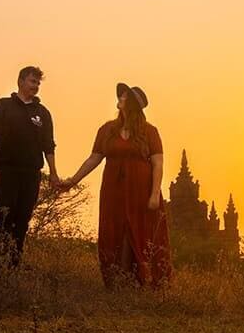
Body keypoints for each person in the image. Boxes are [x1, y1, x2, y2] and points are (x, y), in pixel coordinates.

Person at [60, 83, 171, 287]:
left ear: (133, 105)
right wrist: (72, 180)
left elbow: (158, 164)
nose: (120, 98)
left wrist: (154, 194)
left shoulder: (149, 131)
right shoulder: (107, 130)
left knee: (137, 231)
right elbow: (94, 158)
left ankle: (139, 281)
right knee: (114, 230)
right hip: (113, 188)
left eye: (125, 96)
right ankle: (117, 280)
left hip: (140, 188)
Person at [0, 66, 58, 266]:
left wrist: (53, 173)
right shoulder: (3, 106)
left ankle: (15, 261)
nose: (35, 86)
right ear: (21, 81)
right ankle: (0, 260)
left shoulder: (42, 113)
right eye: (32, 81)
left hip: (31, 173)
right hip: (6, 171)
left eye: (38, 83)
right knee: (5, 214)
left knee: (23, 217)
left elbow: (48, 145)